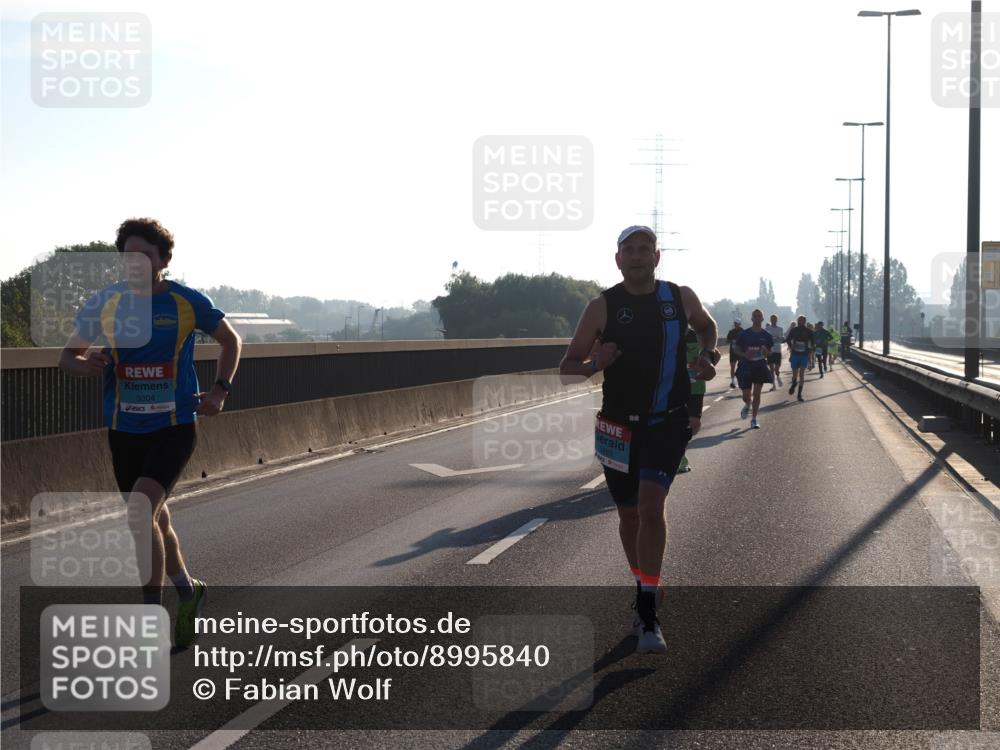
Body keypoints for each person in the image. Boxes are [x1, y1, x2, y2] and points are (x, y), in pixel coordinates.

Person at [59, 217, 242, 648]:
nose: (134, 264)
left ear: (162, 259)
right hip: (124, 428)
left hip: (174, 426)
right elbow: (67, 357)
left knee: (141, 511)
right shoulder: (106, 303)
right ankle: (187, 590)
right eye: (127, 257)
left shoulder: (185, 302)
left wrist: (219, 391)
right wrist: (84, 366)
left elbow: (231, 341)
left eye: (144, 255)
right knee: (155, 517)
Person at [560, 225, 719, 654]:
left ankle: (647, 614)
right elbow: (567, 366)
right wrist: (596, 361)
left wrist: (709, 356)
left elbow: (707, 328)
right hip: (617, 427)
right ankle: (646, 581)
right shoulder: (602, 306)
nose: (636, 256)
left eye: (643, 249)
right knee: (629, 516)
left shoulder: (679, 297)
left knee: (651, 509)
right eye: (628, 250)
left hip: (666, 421)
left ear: (656, 256)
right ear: (617, 260)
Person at [733, 309, 773, 429]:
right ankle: (748, 404)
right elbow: (736, 349)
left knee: (757, 393)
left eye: (759, 316)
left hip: (759, 366)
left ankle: (754, 419)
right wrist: (745, 355)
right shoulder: (744, 334)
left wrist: (767, 352)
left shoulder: (767, 336)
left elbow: (770, 352)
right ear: (752, 319)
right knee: (746, 396)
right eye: (755, 316)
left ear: (762, 318)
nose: (757, 318)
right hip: (745, 366)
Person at [677, 327, 707, 473]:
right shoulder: (670, 332)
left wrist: (705, 363)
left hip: (696, 387)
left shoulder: (697, 335)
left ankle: (680, 446)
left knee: (694, 423)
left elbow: (716, 354)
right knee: (677, 422)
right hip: (675, 387)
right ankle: (680, 457)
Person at [785, 315, 814, 401]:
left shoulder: (809, 331)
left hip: (804, 355)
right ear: (797, 321)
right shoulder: (794, 330)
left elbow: (813, 342)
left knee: (801, 374)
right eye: (799, 320)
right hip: (795, 354)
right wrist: (791, 347)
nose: (800, 321)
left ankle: (799, 395)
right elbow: (788, 339)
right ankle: (794, 384)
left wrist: (810, 351)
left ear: (804, 321)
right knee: (794, 375)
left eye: (802, 320)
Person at [764, 314, 784, 390]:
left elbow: (782, 339)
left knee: (776, 369)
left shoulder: (780, 329)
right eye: (772, 319)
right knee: (771, 369)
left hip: (778, 351)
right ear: (770, 320)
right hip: (770, 351)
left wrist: (781, 338)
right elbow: (765, 339)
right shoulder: (767, 329)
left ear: (777, 320)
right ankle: (774, 385)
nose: (773, 320)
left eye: (775, 319)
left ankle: (778, 377)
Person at [725, 320, 743, 389]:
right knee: (732, 367)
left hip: (740, 352)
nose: (736, 325)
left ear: (740, 324)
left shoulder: (743, 332)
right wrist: (732, 340)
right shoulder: (731, 332)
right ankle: (732, 382)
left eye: (737, 324)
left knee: (741, 367)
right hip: (733, 352)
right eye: (735, 323)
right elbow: (727, 341)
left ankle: (740, 380)